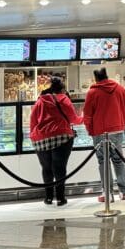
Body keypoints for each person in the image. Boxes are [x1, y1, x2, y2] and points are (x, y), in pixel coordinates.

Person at [30, 77, 80, 206]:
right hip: (61, 137)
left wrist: (33, 136)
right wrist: (85, 118)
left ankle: (48, 197)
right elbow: (73, 119)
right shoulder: (64, 99)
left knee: (46, 168)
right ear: (62, 89)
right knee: (59, 167)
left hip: (41, 139)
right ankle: (60, 198)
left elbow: (33, 121)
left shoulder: (40, 101)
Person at [84, 67, 125, 202]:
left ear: (96, 78)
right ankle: (124, 192)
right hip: (117, 130)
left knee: (103, 161)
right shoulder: (120, 89)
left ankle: (108, 193)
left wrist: (89, 130)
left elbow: (87, 115)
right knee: (118, 160)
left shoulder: (92, 93)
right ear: (107, 76)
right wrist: (122, 123)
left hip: (99, 133)